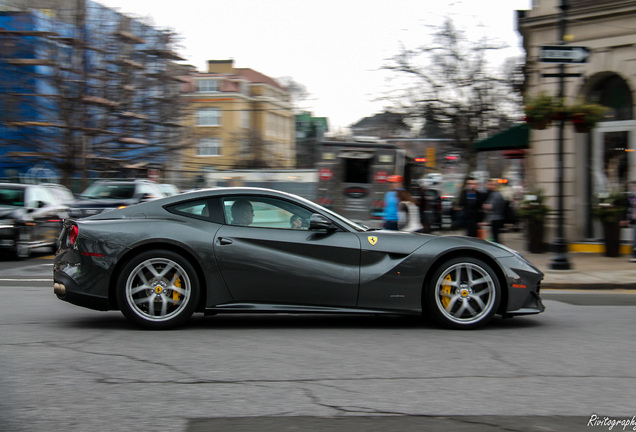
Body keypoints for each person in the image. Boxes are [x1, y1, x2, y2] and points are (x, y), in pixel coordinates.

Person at [482, 179, 507, 243]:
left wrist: (484, 206)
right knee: (495, 236)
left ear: (496, 186)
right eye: (489, 184)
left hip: (496, 218)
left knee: (495, 236)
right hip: (497, 217)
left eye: (492, 185)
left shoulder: (496, 194)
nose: (489, 186)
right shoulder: (496, 194)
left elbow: (492, 206)